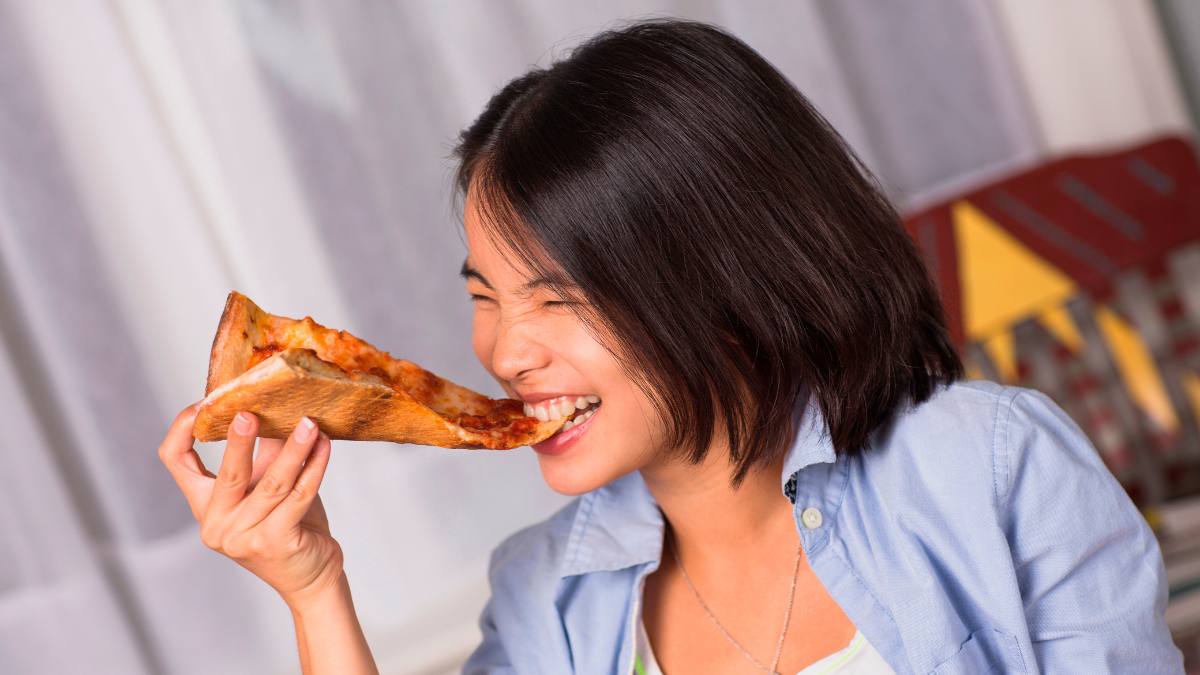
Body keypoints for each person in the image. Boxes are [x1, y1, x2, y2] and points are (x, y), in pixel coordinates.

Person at [157, 17, 1184, 675]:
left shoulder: (985, 466)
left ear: (722, 273)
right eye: (485, 296)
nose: (505, 351)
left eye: (558, 298)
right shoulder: (549, 600)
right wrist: (313, 586)